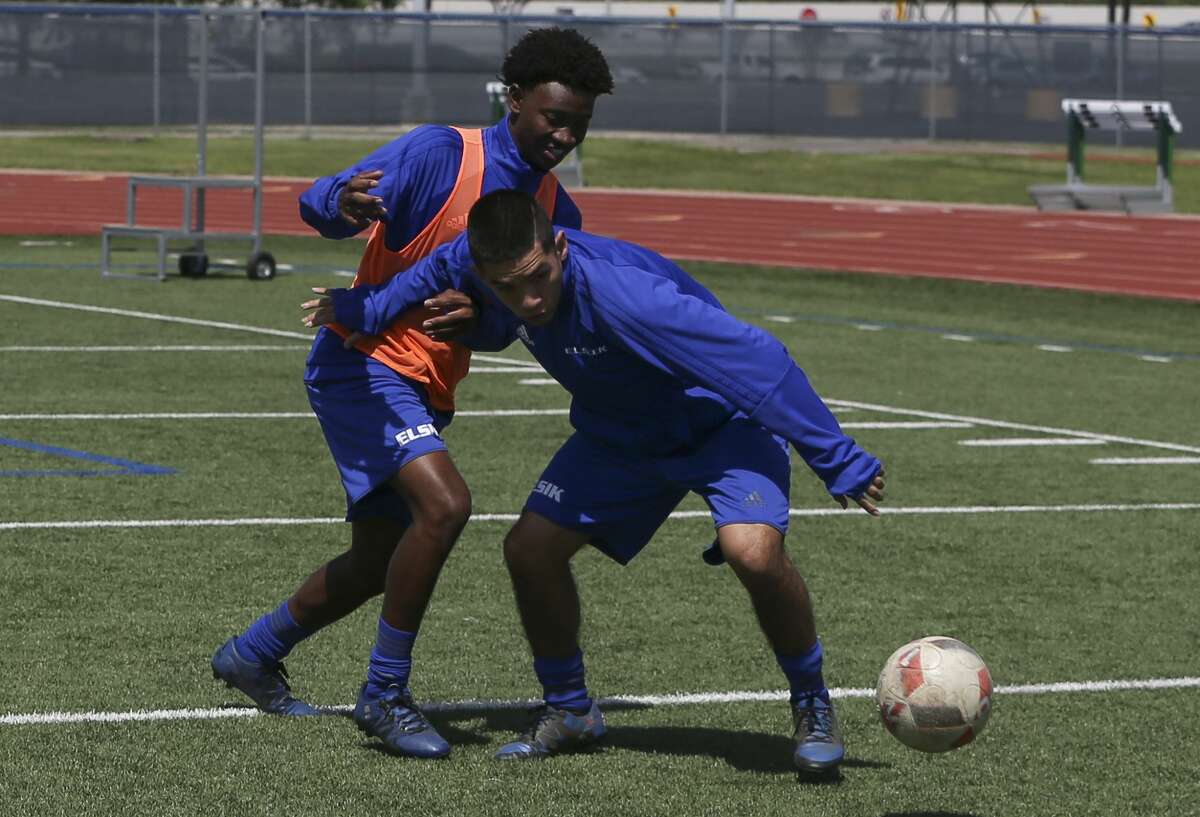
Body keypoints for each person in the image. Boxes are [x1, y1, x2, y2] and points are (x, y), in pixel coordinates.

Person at [301, 190, 887, 775]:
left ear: (560, 246)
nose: (528, 300)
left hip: (719, 428)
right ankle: (570, 709)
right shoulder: (481, 265)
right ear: (481, 272)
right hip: (620, 437)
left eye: (538, 278)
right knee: (530, 551)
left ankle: (811, 701)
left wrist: (837, 458)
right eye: (506, 287)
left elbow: (759, 361)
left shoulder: (627, 296)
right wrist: (367, 309)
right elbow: (432, 273)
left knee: (752, 554)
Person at [210, 29, 614, 760]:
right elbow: (317, 202)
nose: (564, 133)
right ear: (514, 100)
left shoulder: (559, 213)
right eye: (552, 117)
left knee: (378, 558)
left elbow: (519, 324)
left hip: (426, 384)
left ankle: (250, 653)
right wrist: (340, 199)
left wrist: (484, 320)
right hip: (359, 363)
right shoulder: (442, 154)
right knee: (447, 504)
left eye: (578, 122)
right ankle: (384, 693)